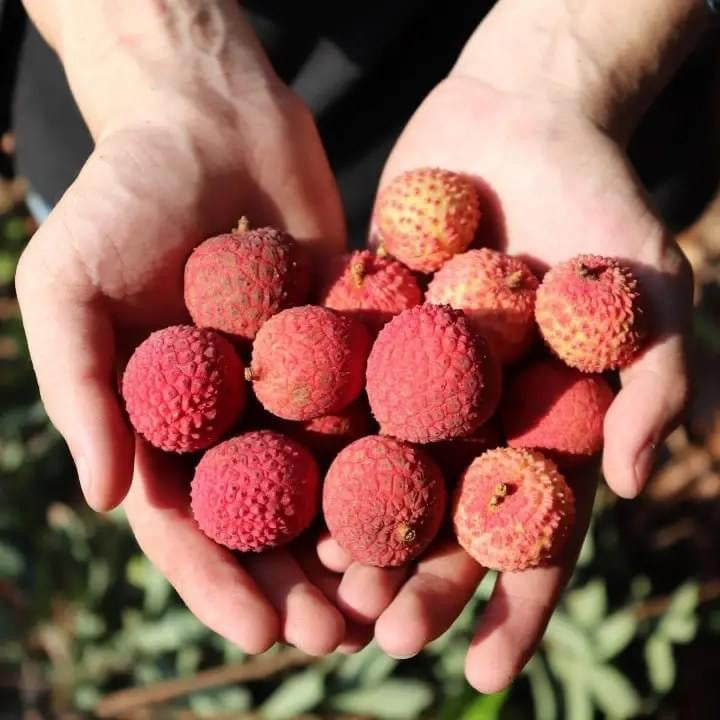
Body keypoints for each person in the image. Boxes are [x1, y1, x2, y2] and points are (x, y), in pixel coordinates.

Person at [8, 0, 714, 693]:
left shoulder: (457, 324)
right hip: (157, 155)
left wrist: (573, 66)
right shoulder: (269, 345)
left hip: (559, 141)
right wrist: (159, 65)